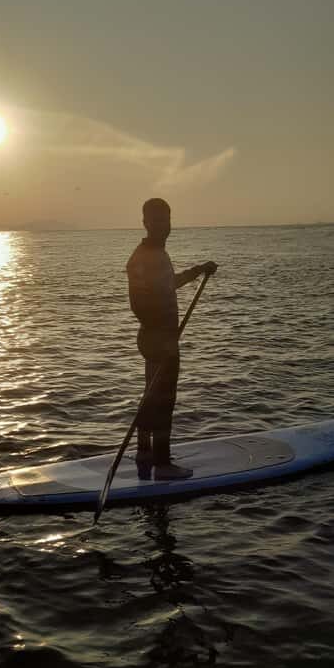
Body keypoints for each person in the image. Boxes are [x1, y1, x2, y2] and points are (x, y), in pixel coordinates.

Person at [126, 198, 217, 481]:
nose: (163, 226)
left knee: (151, 394)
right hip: (158, 339)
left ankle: (144, 451)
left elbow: (168, 285)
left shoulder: (157, 253)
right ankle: (163, 465)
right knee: (164, 399)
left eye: (166, 219)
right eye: (157, 220)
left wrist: (198, 271)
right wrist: (160, 333)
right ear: (145, 223)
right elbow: (138, 303)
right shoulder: (143, 257)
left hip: (159, 337)